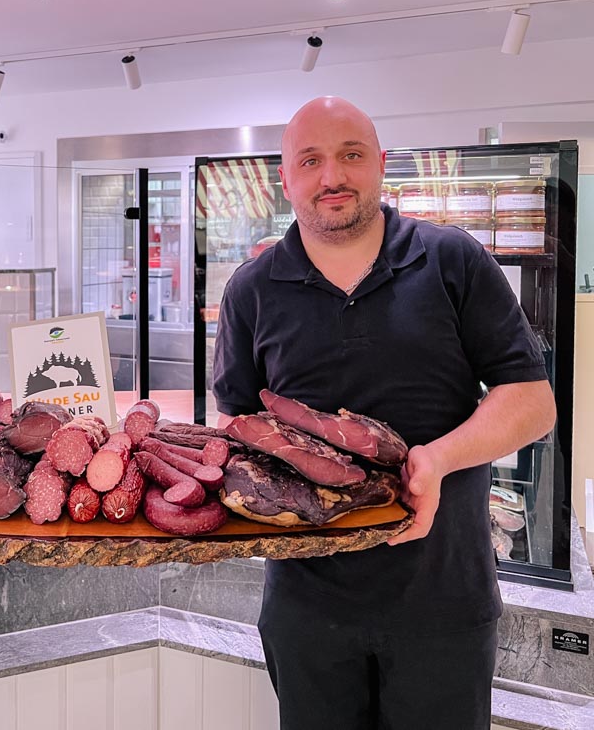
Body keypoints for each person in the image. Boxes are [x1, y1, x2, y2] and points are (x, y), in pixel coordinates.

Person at [212, 96, 557, 730]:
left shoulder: (453, 259)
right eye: (310, 161)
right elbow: (238, 430)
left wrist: (438, 458)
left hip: (443, 597)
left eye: (351, 156)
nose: (332, 177)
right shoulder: (250, 291)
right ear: (284, 179)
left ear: (381, 165)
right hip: (306, 606)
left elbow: (533, 401)